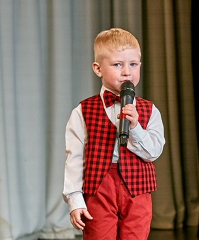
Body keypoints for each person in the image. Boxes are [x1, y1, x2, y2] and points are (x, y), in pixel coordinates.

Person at [62, 28, 165, 240]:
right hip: (99, 188)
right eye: (118, 64)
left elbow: (153, 152)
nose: (127, 72)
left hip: (137, 190)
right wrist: (75, 200)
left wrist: (135, 127)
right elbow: (74, 158)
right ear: (98, 69)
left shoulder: (150, 110)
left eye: (133, 64)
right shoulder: (83, 111)